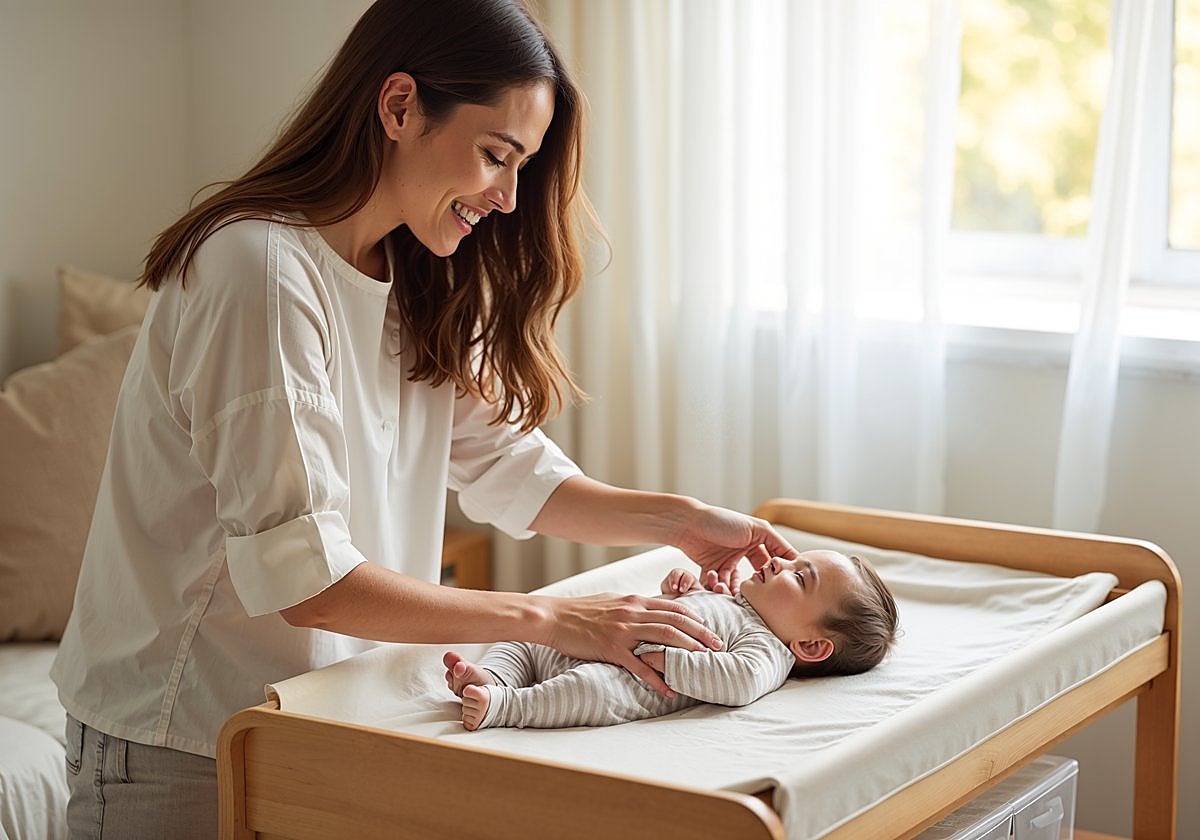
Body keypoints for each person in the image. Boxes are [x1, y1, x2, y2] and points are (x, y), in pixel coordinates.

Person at [49, 1, 799, 836]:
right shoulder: (256, 270)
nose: (510, 198)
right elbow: (311, 581)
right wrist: (555, 618)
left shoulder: (407, 270)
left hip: (320, 723)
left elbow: (516, 470)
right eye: (495, 155)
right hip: (185, 738)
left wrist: (681, 522)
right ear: (399, 106)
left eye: (522, 166)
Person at [443, 549, 899, 730]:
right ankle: (498, 675)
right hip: (589, 640)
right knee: (528, 638)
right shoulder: (730, 600)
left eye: (800, 577)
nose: (781, 563)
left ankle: (507, 707)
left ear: (812, 647)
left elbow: (739, 681)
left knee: (589, 692)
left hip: (627, 679)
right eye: (793, 559)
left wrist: (665, 658)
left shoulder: (769, 650)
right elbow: (674, 612)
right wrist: (678, 590)